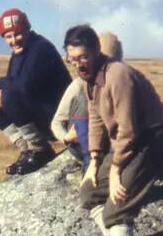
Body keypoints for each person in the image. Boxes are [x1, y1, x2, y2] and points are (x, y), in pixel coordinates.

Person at [68, 24, 163, 236]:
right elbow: (96, 118)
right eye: (73, 59)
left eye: (83, 58)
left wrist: (115, 171)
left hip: (147, 141)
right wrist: (94, 160)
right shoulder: (90, 80)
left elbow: (128, 130)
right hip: (127, 143)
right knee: (89, 193)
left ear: (96, 52)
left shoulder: (118, 76)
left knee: (117, 206)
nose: (79, 65)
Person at [0, 7, 71, 175]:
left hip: (59, 116)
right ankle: (27, 150)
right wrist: (0, 89)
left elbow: (24, 87)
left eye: (18, 34)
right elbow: (14, 83)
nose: (14, 40)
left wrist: (0, 84)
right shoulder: (18, 53)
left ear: (27, 30)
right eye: (8, 36)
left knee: (9, 97)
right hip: (41, 112)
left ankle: (40, 149)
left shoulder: (40, 48)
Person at [51, 31, 124, 170]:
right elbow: (56, 122)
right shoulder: (78, 86)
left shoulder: (121, 82)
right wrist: (67, 137)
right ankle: (90, 165)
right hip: (82, 144)